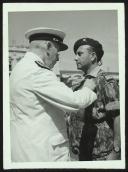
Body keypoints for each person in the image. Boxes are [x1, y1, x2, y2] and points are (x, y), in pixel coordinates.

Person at [10, 27, 97, 162]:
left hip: (28, 147)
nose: (57, 58)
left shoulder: (21, 67)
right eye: (58, 51)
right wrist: (88, 88)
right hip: (43, 153)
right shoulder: (37, 72)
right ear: (48, 46)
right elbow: (75, 101)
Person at [73, 37, 120, 160]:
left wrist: (116, 151)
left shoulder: (105, 81)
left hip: (102, 153)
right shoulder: (82, 82)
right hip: (84, 149)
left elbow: (118, 116)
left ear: (93, 56)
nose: (75, 58)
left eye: (79, 54)